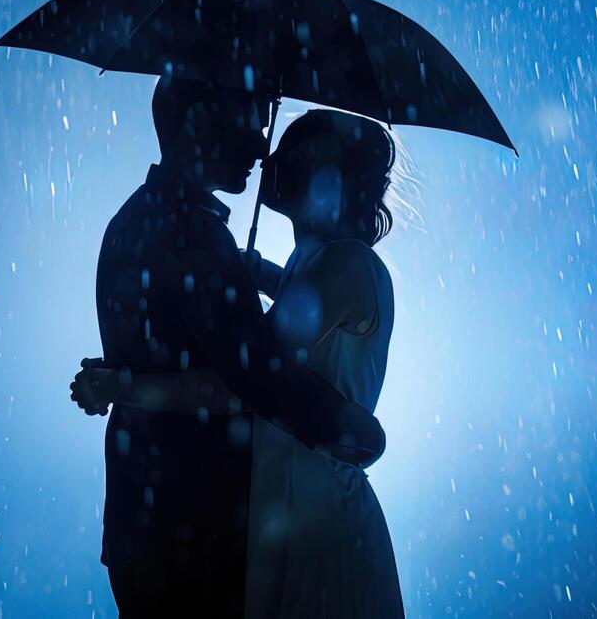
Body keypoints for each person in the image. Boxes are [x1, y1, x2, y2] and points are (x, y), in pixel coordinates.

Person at [75, 108, 405, 617]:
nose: (267, 154)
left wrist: (121, 385)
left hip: (320, 518)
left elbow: (242, 384)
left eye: (291, 149)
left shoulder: (345, 264)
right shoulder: (316, 264)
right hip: (286, 513)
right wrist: (254, 270)